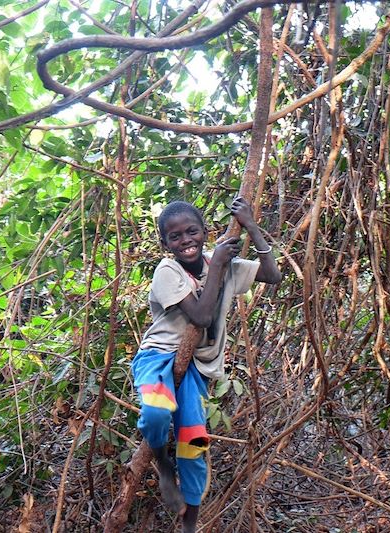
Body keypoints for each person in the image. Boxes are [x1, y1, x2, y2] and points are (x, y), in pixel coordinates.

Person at [132, 196, 282, 532]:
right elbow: (200, 315)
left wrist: (252, 227)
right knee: (156, 412)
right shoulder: (167, 270)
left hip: (196, 368)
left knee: (195, 441)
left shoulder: (222, 263)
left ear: (204, 232)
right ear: (165, 243)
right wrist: (216, 267)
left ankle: (190, 525)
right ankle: (163, 465)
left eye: (192, 231)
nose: (186, 240)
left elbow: (273, 276)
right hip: (157, 356)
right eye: (175, 236)